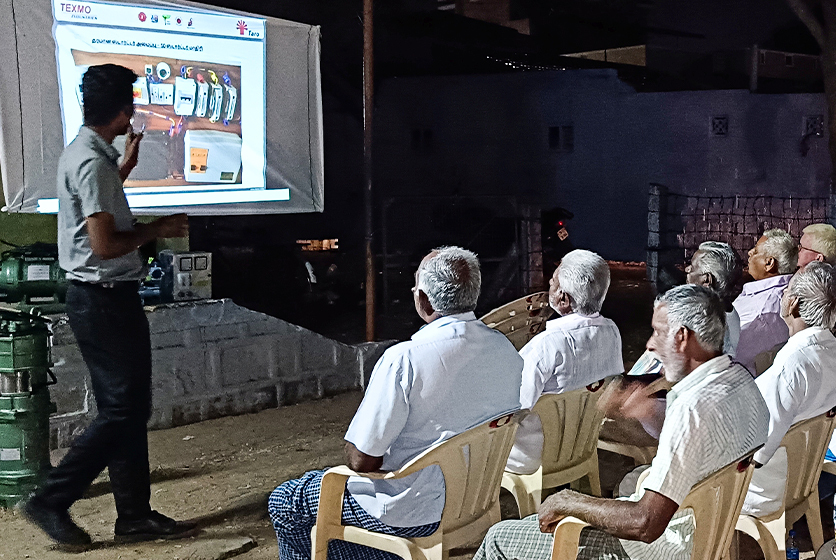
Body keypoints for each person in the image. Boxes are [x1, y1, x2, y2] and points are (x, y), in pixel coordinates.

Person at [21, 64, 193, 546]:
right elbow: (104, 245)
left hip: (99, 300)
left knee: (128, 408)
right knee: (121, 410)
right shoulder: (93, 163)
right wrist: (158, 229)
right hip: (104, 300)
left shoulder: (86, 153)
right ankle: (51, 499)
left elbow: (91, 205)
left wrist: (126, 169)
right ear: (124, 111)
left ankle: (135, 515)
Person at [474, 284, 769, 560]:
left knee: (499, 538)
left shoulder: (692, 407)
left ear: (682, 337)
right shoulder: (741, 381)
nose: (650, 344)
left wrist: (569, 501)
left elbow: (646, 524)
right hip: (709, 533)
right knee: (630, 481)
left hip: (663, 549)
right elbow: (695, 447)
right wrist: (645, 414)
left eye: (657, 332)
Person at [268, 246, 524, 560]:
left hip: (408, 513)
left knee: (286, 501)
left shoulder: (405, 359)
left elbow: (362, 460)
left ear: (424, 300)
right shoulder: (505, 349)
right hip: (475, 500)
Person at [598, 241, 743, 450]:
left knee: (589, 421)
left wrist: (635, 395)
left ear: (706, 280)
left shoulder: (698, 322)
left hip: (662, 404)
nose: (686, 270)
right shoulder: (728, 315)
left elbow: (680, 376)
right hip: (664, 395)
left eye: (691, 268)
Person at [506, 249, 623, 475]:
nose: (548, 286)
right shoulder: (612, 331)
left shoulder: (546, 345)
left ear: (563, 298)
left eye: (551, 283)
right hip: (582, 444)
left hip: (533, 455)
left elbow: (514, 407)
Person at [741, 262, 836, 517]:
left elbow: (757, 452)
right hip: (804, 481)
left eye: (786, 290)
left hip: (762, 491)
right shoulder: (830, 350)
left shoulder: (792, 367)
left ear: (792, 304)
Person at [733, 229, 798, 374]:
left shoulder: (763, 310)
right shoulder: (784, 291)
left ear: (769, 263)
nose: (749, 253)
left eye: (755, 251)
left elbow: (734, 356)